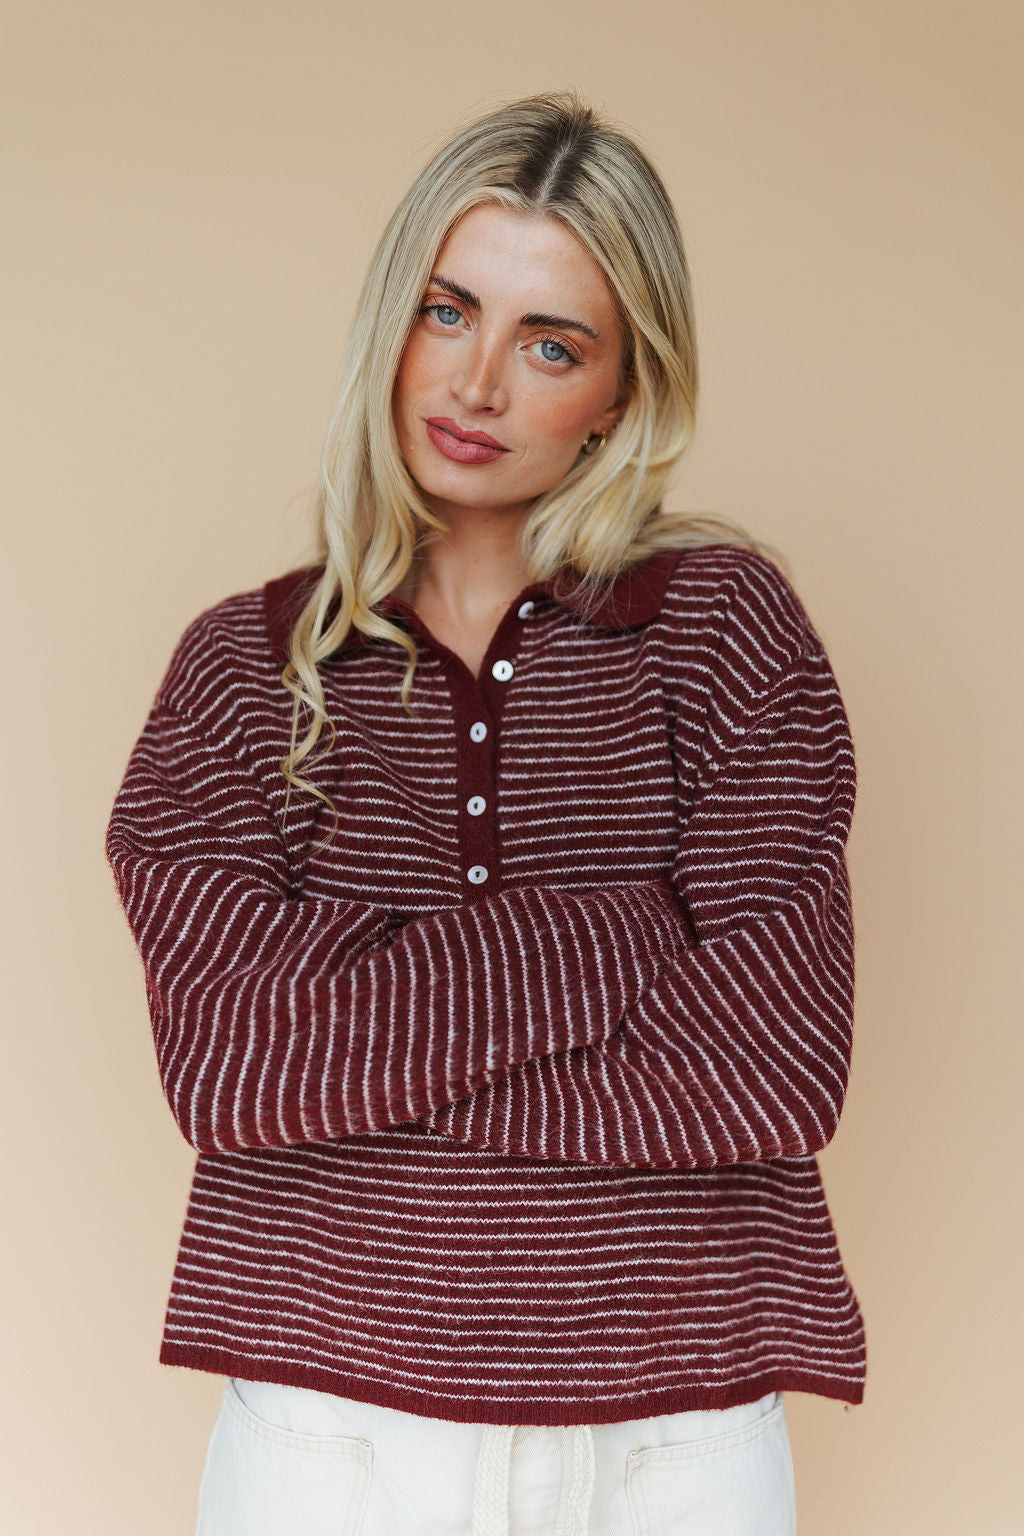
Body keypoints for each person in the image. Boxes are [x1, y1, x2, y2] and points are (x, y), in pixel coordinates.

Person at [105, 90, 866, 1536]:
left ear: (625, 394)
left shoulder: (723, 631)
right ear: (391, 317)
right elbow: (228, 1064)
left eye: (551, 344)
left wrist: (358, 1064)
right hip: (327, 1435)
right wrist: (623, 935)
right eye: (447, 312)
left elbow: (772, 1067)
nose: (477, 384)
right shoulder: (243, 671)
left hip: (672, 1442)